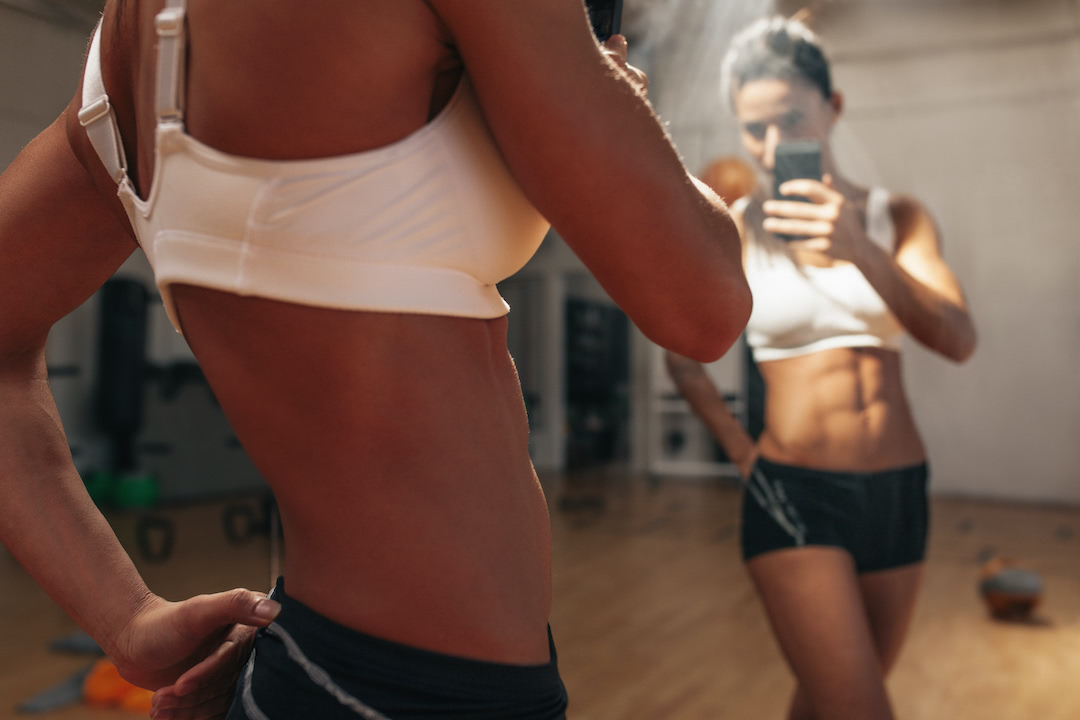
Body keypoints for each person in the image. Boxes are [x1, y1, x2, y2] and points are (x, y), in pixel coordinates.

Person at [0, 1, 752, 718]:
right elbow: (705, 306)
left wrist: (125, 619)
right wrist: (610, 92)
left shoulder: (116, 69)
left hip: (317, 669)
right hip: (425, 693)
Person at [665, 16, 976, 720]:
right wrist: (745, 456)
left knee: (827, 704)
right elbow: (681, 358)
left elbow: (958, 337)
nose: (773, 145)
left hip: (900, 494)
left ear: (834, 108)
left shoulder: (899, 219)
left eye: (791, 118)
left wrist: (860, 250)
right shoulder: (737, 228)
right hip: (794, 497)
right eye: (754, 128)